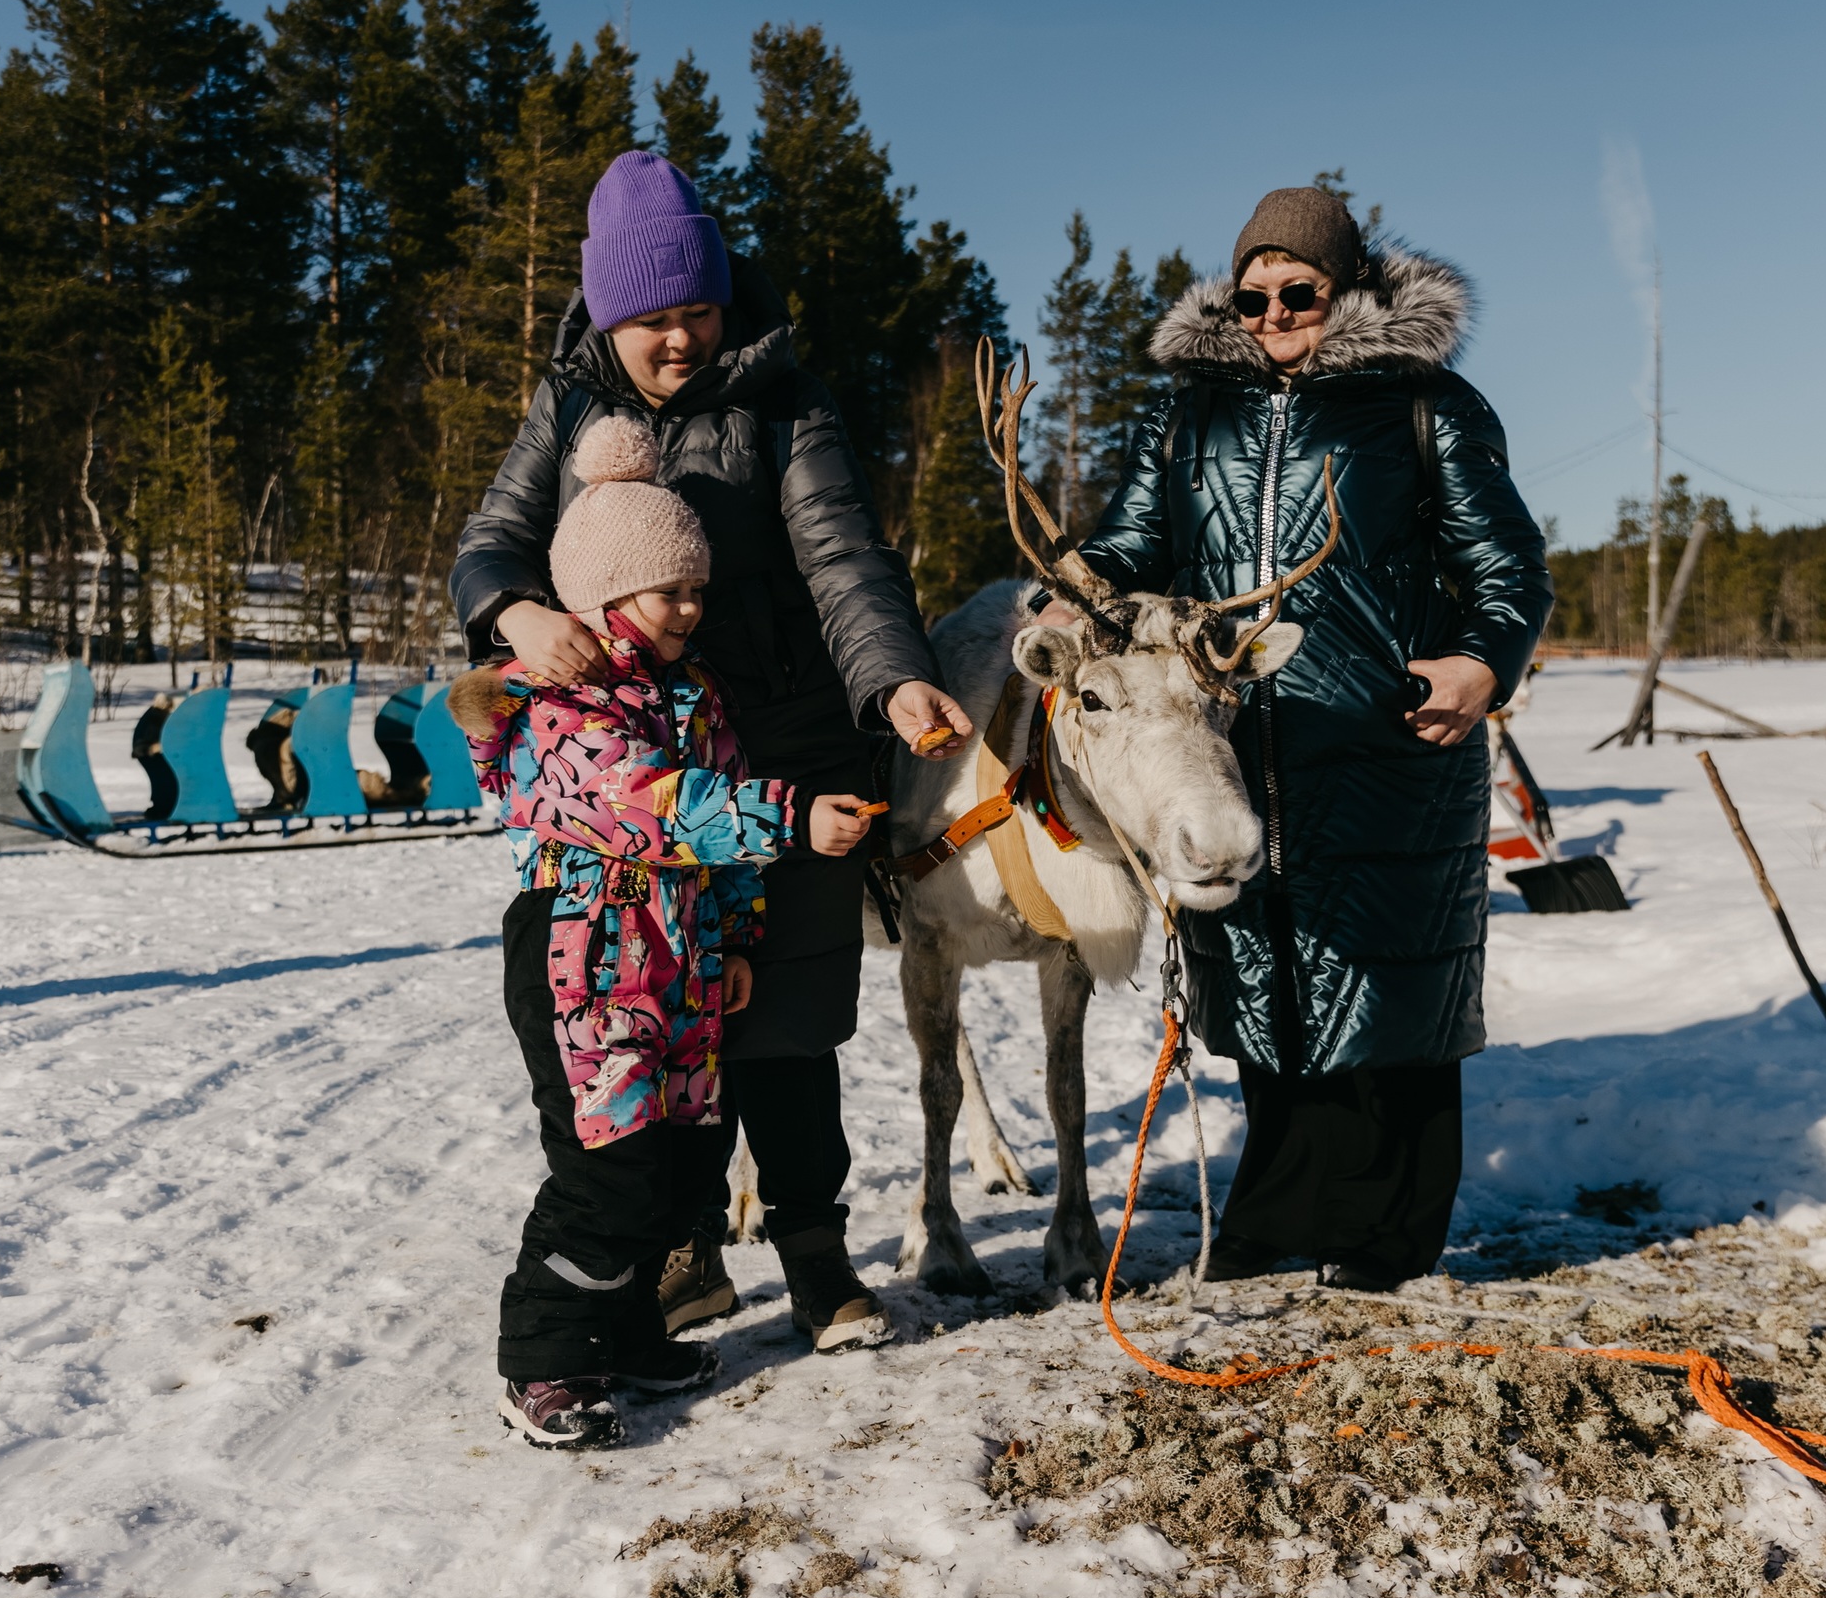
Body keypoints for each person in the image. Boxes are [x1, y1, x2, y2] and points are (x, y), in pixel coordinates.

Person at [451, 150, 970, 1353]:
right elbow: (492, 542)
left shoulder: (781, 399)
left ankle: (812, 1253)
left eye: (694, 311)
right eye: (649, 321)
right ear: (607, 315)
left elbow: (844, 559)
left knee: (784, 1013)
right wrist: (514, 613)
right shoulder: (571, 398)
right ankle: (670, 1248)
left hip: (784, 736)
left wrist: (891, 683)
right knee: (646, 1009)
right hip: (635, 746)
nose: (677, 340)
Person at [1062, 185, 1553, 1291]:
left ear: (1348, 290)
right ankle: (1276, 1212)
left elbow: (1507, 567)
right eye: (1254, 294)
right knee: (1267, 983)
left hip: (1386, 738)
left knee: (1388, 989)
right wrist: (1071, 595)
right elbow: (1128, 544)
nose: (1274, 312)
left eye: (1299, 291)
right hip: (1231, 743)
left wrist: (1481, 661)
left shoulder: (1425, 403)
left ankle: (1388, 1231)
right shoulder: (1187, 410)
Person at [457, 419, 881, 1448]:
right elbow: (645, 803)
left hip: (682, 954)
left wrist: (734, 937)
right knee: (610, 1164)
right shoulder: (557, 705)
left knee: (687, 1154)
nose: (692, 607)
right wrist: (792, 817)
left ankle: (629, 1326)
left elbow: (716, 816)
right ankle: (545, 1358)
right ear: (603, 597)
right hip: (582, 953)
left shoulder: (692, 694)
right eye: (668, 590)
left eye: (697, 587)